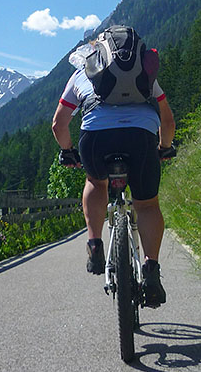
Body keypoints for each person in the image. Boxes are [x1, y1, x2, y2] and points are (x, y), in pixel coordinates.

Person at [51, 33, 176, 308]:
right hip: (140, 137)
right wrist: (164, 147)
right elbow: (167, 120)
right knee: (146, 204)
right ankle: (151, 270)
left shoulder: (81, 73)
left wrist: (68, 151)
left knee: (96, 183)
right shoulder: (145, 74)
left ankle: (94, 244)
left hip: (96, 138)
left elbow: (59, 124)